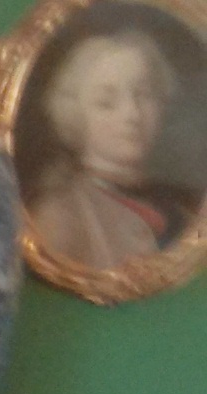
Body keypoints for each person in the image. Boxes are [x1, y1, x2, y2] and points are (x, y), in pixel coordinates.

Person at [30, 24, 194, 271]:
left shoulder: (183, 210)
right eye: (106, 102)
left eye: (143, 95)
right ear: (75, 116)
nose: (132, 114)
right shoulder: (60, 217)